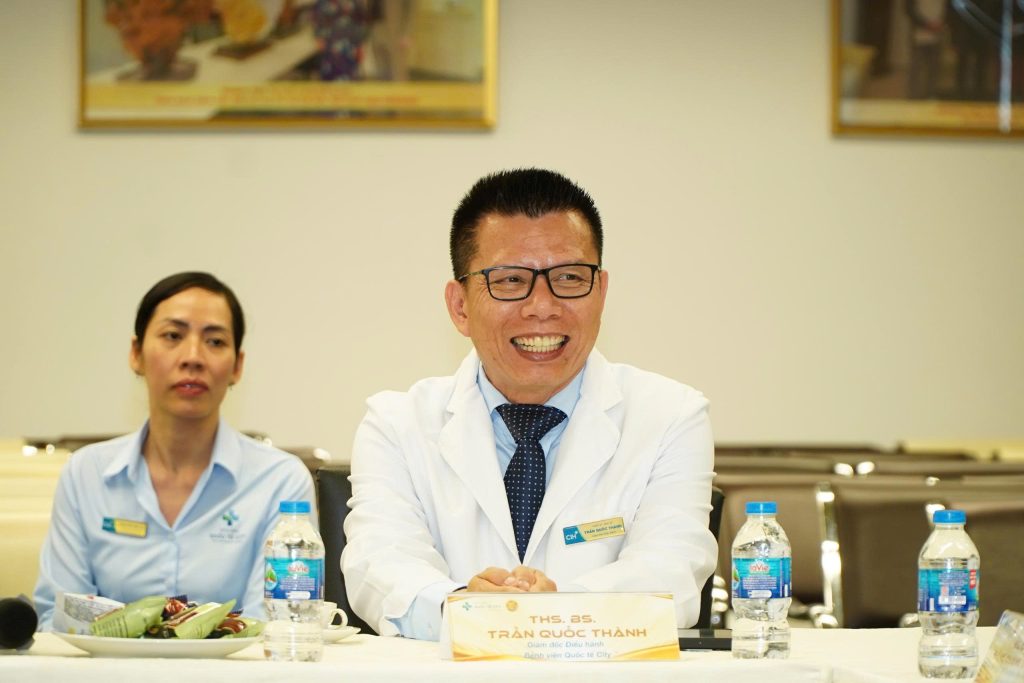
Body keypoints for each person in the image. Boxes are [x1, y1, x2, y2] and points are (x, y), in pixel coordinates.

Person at [342, 169, 717, 640]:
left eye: (569, 277)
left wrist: (549, 612)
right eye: (510, 280)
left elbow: (672, 570)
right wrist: (464, 608)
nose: (543, 306)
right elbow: (379, 564)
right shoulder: (396, 424)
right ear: (460, 306)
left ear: (601, 293)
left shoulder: (671, 417)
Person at [33, 272, 316, 629]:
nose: (193, 357)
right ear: (136, 354)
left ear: (237, 366)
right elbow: (60, 617)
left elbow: (277, 624)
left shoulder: (280, 482)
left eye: (214, 341)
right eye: (173, 336)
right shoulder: (86, 474)